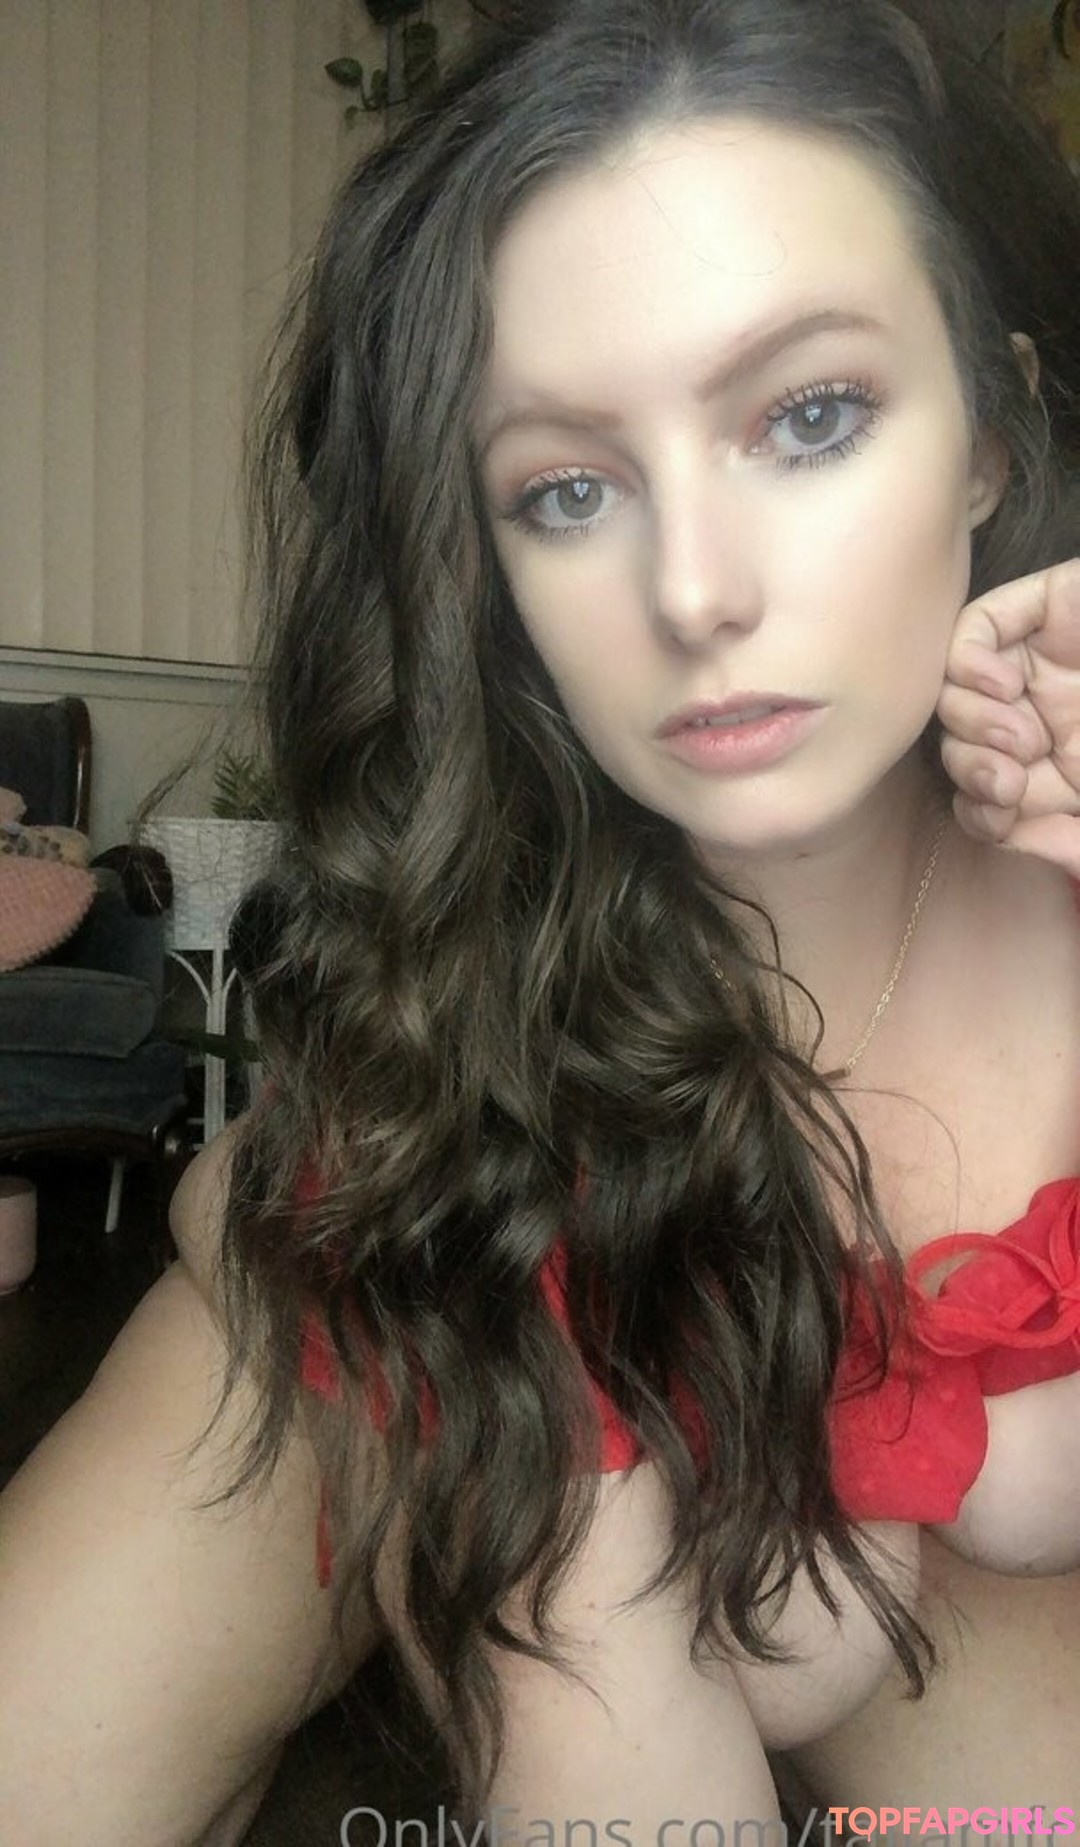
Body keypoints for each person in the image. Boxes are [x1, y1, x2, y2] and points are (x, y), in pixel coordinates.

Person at [1, 1, 1079, 1839]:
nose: (693, 590)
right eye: (567, 489)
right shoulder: (499, 978)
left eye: (810, 415)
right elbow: (250, 1218)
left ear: (990, 431)